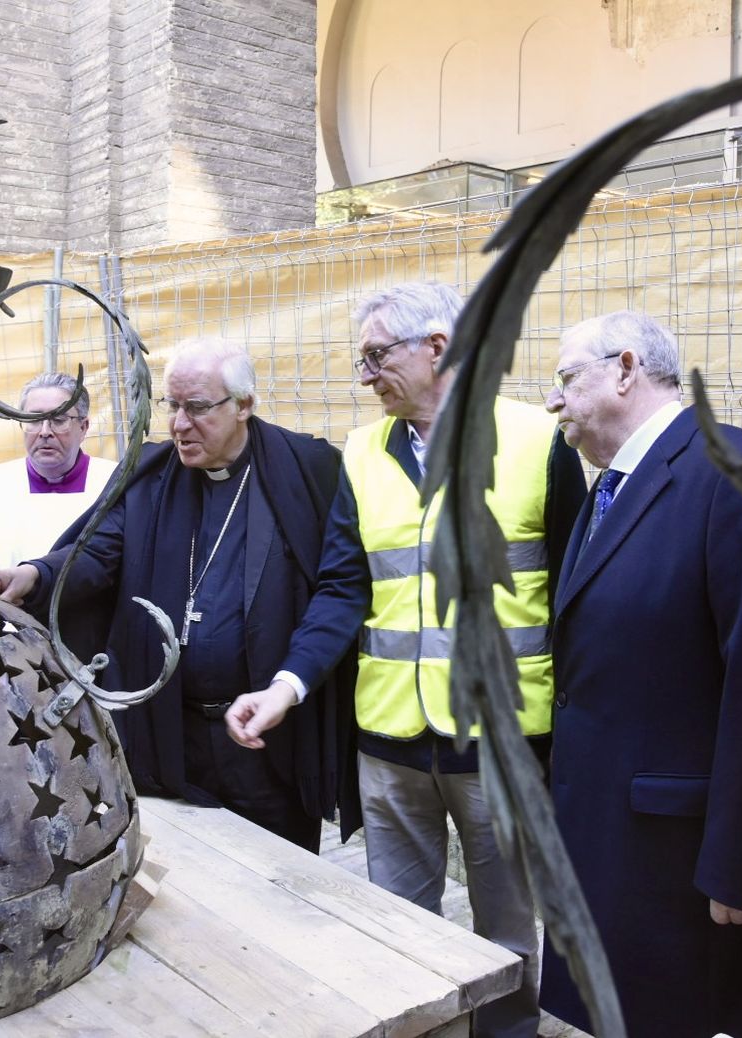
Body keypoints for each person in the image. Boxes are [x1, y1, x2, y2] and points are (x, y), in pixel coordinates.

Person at [226, 282, 583, 1038]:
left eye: (376, 357)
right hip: (389, 745)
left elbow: (576, 597)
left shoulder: (537, 442)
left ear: (439, 348)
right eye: (362, 362)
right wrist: (287, 687)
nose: (366, 378)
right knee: (397, 933)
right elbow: (342, 589)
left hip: (502, 745)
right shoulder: (362, 453)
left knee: (508, 936)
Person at [538, 310, 742, 1038]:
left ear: (627, 369)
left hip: (687, 864)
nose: (554, 400)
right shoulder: (614, 487)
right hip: (614, 838)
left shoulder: (740, 475)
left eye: (568, 379)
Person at [0, 338, 350, 853]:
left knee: (281, 882)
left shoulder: (305, 469)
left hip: (267, 742)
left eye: (197, 408)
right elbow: (98, 552)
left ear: (243, 405)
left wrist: (291, 684)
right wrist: (38, 575)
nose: (179, 424)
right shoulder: (153, 475)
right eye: (171, 406)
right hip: (172, 737)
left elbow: (338, 588)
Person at [0, 372, 115, 586]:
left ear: (83, 427)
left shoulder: (114, 483)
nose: (45, 431)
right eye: (34, 420)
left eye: (59, 420)